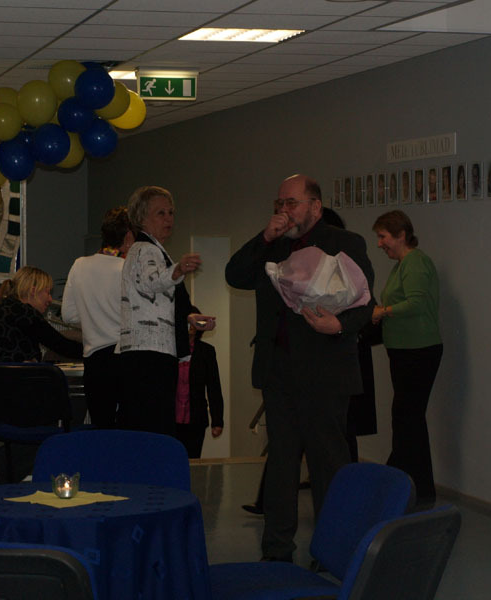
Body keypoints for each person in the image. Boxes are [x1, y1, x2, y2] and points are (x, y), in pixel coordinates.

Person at [226, 174, 374, 562]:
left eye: (291, 203)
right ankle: (276, 551)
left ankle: (331, 550)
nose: (284, 210)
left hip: (326, 371)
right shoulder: (272, 246)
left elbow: (365, 303)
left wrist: (338, 325)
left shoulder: (345, 243)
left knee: (328, 465)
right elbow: (234, 274)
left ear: (315, 206)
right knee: (281, 464)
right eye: (279, 204)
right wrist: (265, 237)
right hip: (278, 372)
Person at [0, 266, 83, 486]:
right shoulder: (24, 314)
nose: (50, 299)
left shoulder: (8, 311)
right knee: (54, 423)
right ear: (32, 290)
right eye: (47, 292)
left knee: (49, 421)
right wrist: (97, 350)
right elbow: (61, 345)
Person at [116, 185, 215, 436]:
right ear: (141, 218)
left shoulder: (151, 250)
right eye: (160, 213)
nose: (169, 218)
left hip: (146, 351)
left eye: (171, 213)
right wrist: (178, 270)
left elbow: (158, 296)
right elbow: (152, 281)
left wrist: (189, 317)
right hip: (148, 352)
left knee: (145, 425)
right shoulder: (146, 249)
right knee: (151, 427)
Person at [371, 210, 442, 508]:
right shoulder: (401, 265)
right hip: (403, 350)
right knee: (408, 419)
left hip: (418, 350)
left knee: (406, 418)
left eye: (383, 237)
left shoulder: (415, 263)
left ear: (401, 235)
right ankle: (420, 489)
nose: (379, 244)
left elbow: (416, 303)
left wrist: (383, 312)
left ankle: (395, 484)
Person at [61, 207, 134, 428]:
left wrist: (94, 318)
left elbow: (68, 314)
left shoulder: (79, 265)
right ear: (128, 237)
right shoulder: (128, 268)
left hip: (94, 360)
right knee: (128, 429)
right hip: (125, 357)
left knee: (101, 427)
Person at [175, 304, 224, 458]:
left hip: (196, 419)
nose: (191, 326)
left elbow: (214, 386)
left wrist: (217, 420)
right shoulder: (169, 349)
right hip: (171, 418)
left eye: (195, 322)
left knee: (193, 462)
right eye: (188, 322)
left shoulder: (206, 351)